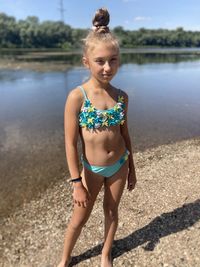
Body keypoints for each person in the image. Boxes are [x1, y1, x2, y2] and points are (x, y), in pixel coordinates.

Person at [57, 7, 137, 267]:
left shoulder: (122, 96)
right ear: (86, 62)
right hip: (90, 170)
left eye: (113, 60)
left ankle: (105, 253)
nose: (107, 67)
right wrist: (76, 182)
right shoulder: (77, 97)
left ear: (119, 60)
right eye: (100, 61)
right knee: (79, 218)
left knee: (111, 211)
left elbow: (125, 133)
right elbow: (70, 143)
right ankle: (65, 258)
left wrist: (132, 167)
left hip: (119, 165)